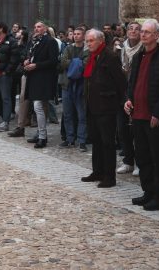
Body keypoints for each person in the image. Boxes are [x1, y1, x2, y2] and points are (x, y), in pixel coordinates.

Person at [124, 19, 159, 211]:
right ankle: (147, 192)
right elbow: (132, 82)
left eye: (147, 32)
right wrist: (129, 99)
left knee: (157, 157)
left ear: (156, 35)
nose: (143, 34)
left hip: (154, 116)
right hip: (137, 114)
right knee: (142, 155)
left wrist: (158, 113)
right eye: (142, 32)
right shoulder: (138, 56)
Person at [81, 29, 127, 187]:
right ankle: (97, 171)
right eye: (87, 41)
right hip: (93, 105)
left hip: (106, 106)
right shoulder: (92, 56)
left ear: (101, 41)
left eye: (91, 40)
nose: (88, 43)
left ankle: (109, 176)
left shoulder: (110, 56)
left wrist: (120, 103)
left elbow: (120, 82)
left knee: (107, 142)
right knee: (96, 140)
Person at [23, 21, 59, 148]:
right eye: (35, 26)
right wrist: (28, 61)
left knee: (38, 106)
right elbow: (31, 55)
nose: (36, 29)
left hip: (44, 78)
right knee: (37, 107)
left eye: (39, 26)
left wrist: (36, 65)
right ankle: (39, 133)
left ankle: (43, 137)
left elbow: (53, 61)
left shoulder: (50, 41)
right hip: (34, 77)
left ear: (45, 29)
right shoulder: (34, 41)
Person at [117, 21, 141, 175]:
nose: (133, 31)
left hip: (137, 91)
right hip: (122, 90)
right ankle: (128, 160)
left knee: (137, 130)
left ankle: (140, 162)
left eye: (136, 29)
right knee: (122, 128)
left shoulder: (143, 48)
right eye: (130, 29)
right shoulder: (122, 48)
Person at [59, 26, 87, 150]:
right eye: (74, 34)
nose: (76, 36)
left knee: (82, 115)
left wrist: (74, 63)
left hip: (81, 86)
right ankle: (70, 138)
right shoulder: (68, 48)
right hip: (67, 84)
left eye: (78, 34)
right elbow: (63, 62)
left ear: (84, 36)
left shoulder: (87, 49)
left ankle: (82, 140)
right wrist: (77, 62)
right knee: (68, 114)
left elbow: (86, 64)